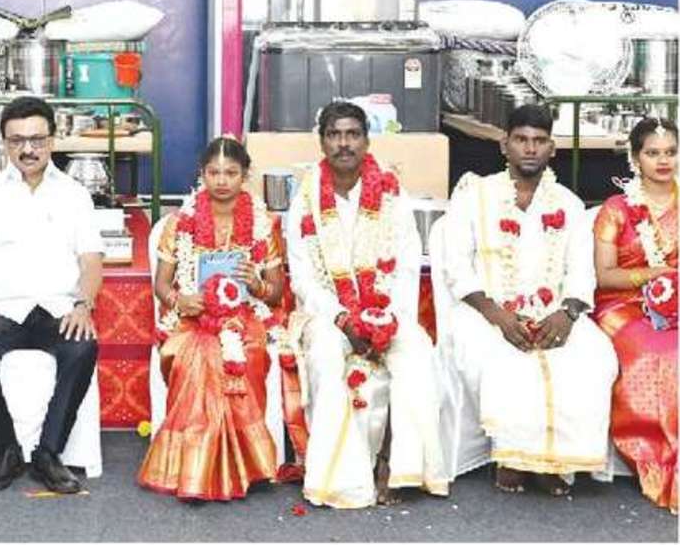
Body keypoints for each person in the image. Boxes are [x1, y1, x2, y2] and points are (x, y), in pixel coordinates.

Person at [441, 103, 616, 496]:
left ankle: (557, 460)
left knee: (594, 356)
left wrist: (567, 314)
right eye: (521, 139)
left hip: (554, 310)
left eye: (539, 141)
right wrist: (497, 315)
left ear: (552, 148)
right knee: (507, 359)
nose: (530, 148)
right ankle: (514, 457)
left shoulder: (569, 204)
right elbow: (457, 267)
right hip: (483, 310)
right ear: (505, 145)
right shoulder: (475, 196)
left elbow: (581, 272)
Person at [285, 101, 446, 508]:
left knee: (416, 350)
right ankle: (342, 478)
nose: (344, 143)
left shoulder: (393, 194)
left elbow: (406, 265)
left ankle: (400, 466)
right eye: (334, 135)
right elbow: (303, 277)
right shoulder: (305, 199)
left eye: (352, 134)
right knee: (325, 354)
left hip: (387, 310)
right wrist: (343, 318)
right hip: (326, 315)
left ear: (366, 141)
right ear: (322, 142)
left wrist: (383, 322)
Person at [0, 96, 102, 495]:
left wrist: (83, 305)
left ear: (52, 140)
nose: (28, 149)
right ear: (4, 143)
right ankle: (7, 450)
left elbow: (91, 261)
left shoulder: (74, 195)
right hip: (2, 310)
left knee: (82, 346)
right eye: (17, 140)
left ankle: (49, 453)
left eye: (36, 139)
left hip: (58, 309)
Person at [139, 136, 289, 501]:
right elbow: (161, 285)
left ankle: (245, 466)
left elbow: (276, 293)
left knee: (244, 355)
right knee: (195, 357)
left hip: (245, 316)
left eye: (231, 173)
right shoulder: (180, 223)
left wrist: (256, 284)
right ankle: (194, 468)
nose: (222, 181)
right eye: (214, 172)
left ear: (245, 175)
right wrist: (180, 299)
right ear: (202, 174)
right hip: (194, 315)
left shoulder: (263, 223)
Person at [589, 116, 677, 513]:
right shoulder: (617, 209)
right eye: (653, 153)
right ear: (635, 157)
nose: (663, 161)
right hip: (624, 305)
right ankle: (660, 457)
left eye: (671, 152)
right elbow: (605, 275)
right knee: (664, 353)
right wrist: (653, 275)